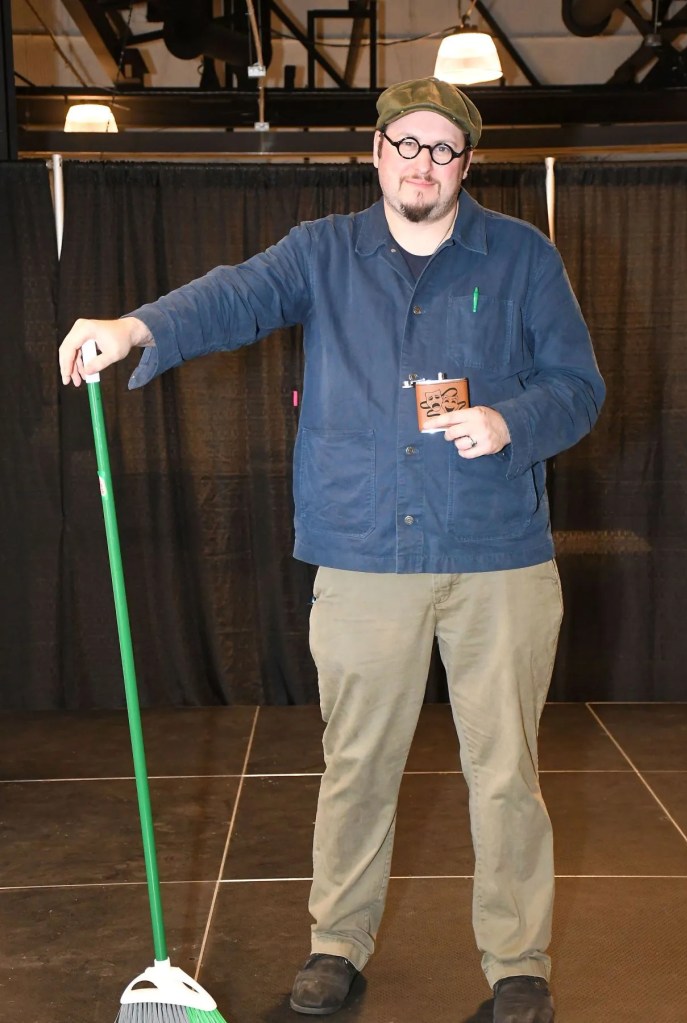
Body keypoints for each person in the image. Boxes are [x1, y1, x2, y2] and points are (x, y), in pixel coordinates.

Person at [59, 77, 605, 1023]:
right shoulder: (320, 251)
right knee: (356, 765)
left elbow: (578, 387)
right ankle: (336, 945)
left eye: (442, 148)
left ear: (466, 163)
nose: (422, 163)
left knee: (506, 773)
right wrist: (134, 327)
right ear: (378, 152)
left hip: (497, 556)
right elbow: (233, 297)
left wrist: (508, 421)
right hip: (362, 553)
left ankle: (518, 963)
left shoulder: (522, 256)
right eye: (407, 144)